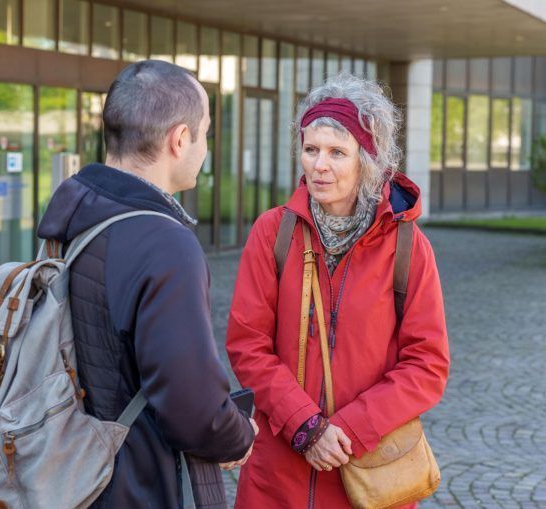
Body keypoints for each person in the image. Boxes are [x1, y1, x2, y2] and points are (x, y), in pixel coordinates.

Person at [37, 60, 257, 509]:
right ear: (180, 139)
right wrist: (238, 436)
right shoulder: (165, 243)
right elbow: (192, 410)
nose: (204, 147)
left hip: (61, 468)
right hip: (129, 482)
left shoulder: (75, 209)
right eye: (205, 133)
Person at [226, 73, 450, 508]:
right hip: (278, 476)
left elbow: (427, 365)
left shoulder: (408, 247)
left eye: (336, 152)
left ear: (368, 160)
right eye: (311, 149)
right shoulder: (273, 232)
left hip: (367, 472)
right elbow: (247, 344)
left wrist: (346, 431)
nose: (319, 165)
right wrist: (306, 427)